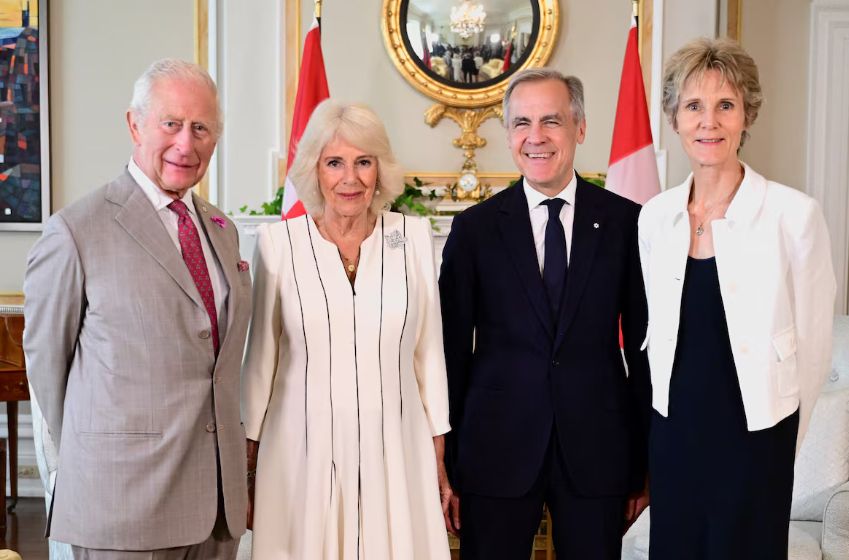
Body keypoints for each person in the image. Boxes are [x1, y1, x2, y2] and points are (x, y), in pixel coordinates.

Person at [23, 59, 251, 559]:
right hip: (122, 507)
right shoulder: (76, 231)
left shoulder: (221, 228)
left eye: (201, 128)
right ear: (134, 124)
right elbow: (47, 368)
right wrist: (102, 457)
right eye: (170, 123)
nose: (185, 144)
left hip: (215, 509)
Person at [439, 68, 651, 560]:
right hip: (494, 448)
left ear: (579, 128)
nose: (536, 137)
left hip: (598, 450)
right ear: (508, 134)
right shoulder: (474, 231)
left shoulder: (626, 224)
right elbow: (450, 353)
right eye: (521, 123)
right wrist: (445, 460)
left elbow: (644, 350)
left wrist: (645, 460)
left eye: (551, 121)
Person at [639, 38, 836, 559]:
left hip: (757, 432)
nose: (709, 122)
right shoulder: (654, 217)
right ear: (674, 118)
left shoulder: (794, 215)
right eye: (693, 106)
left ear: (747, 115)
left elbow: (814, 349)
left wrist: (782, 435)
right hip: (673, 430)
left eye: (725, 105)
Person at [241, 99, 451, 560]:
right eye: (334, 162)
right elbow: (260, 363)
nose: (349, 178)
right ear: (315, 169)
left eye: (363, 162)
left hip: (396, 446)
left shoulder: (411, 239)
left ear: (380, 170)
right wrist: (248, 465)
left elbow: (429, 355)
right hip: (300, 449)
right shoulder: (278, 245)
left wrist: (439, 452)